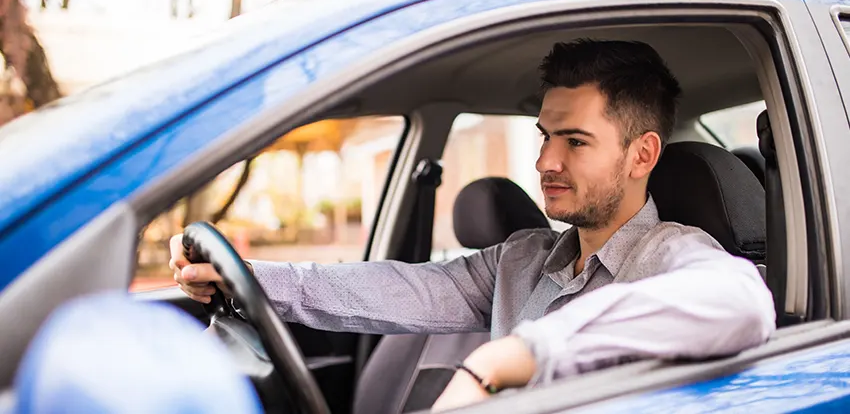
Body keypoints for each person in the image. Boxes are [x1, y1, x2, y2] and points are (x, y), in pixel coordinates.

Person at [169, 39, 776, 411]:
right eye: (544, 137)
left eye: (575, 141)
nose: (544, 162)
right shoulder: (523, 258)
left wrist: (510, 357)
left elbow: (744, 301)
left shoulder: (672, 254)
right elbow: (400, 289)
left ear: (642, 155)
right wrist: (248, 277)